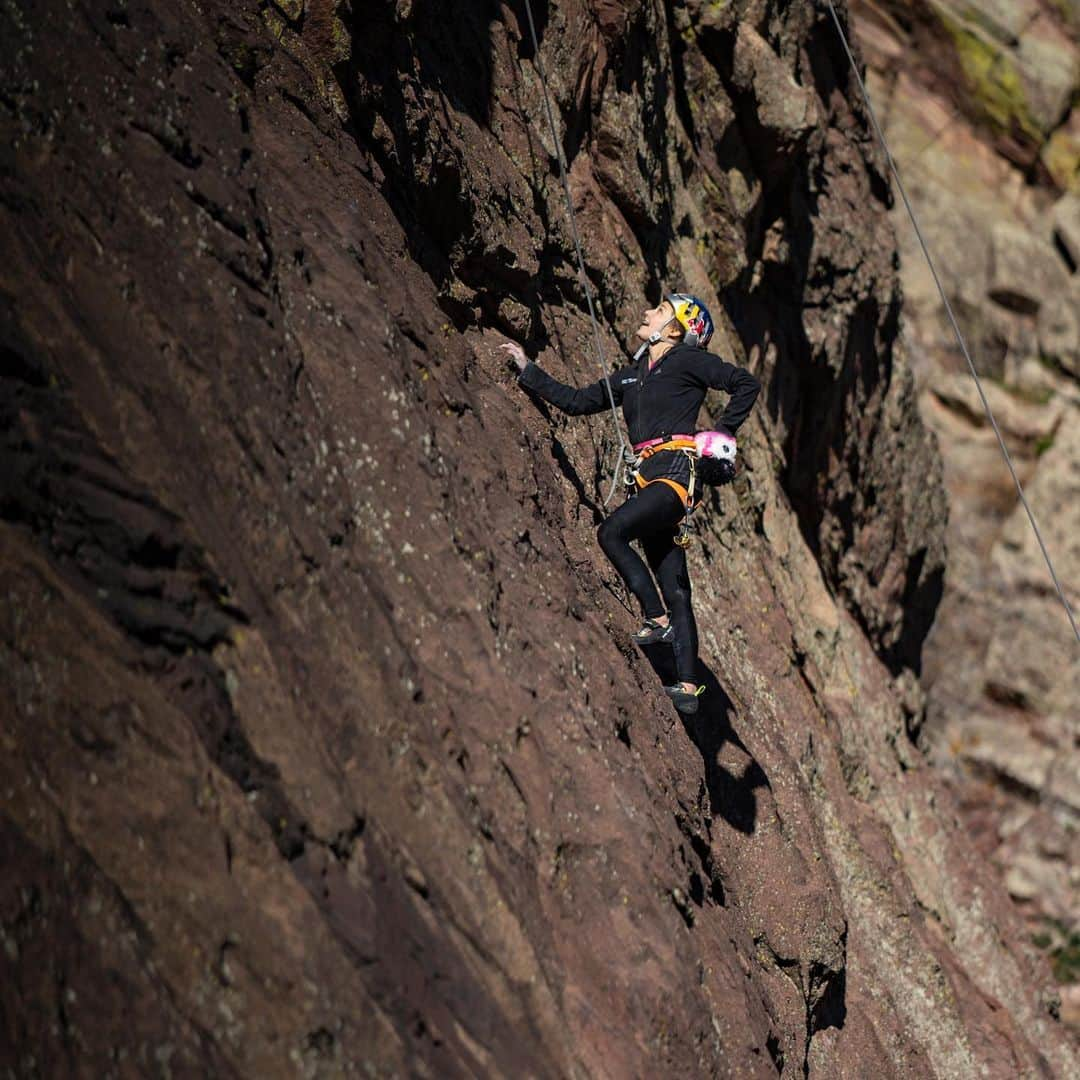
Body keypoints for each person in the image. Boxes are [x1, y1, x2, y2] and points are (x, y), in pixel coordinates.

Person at [501, 294, 760, 714]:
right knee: (676, 586)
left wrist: (722, 432)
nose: (646, 313)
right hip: (650, 480)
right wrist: (529, 371)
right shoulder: (633, 376)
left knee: (612, 532)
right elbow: (577, 401)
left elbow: (746, 383)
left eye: (659, 310)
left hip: (675, 474)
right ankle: (689, 686)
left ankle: (655, 619)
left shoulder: (688, 361)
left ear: (674, 330)